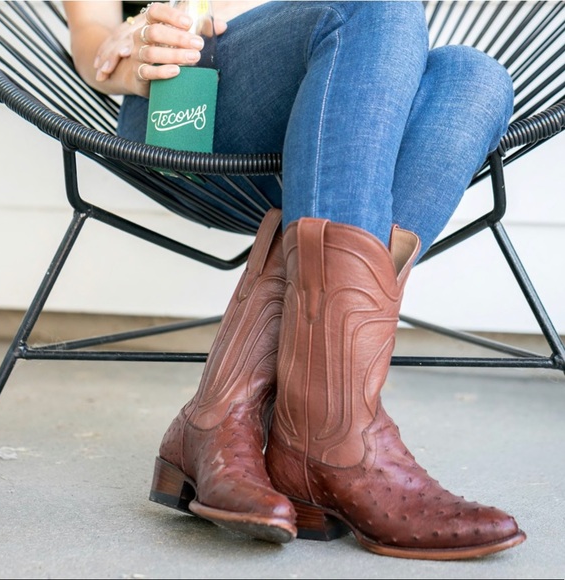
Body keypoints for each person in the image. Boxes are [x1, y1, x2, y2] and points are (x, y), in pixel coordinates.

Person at [64, 1, 526, 560]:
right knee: (373, 6)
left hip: (344, 105)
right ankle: (331, 445)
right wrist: (125, 51)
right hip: (193, 102)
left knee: (474, 77)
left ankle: (238, 418)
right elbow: (90, 32)